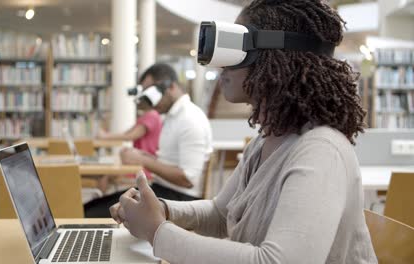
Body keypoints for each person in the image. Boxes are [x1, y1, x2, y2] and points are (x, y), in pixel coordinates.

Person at [109, 1, 378, 263]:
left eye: (236, 49)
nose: (221, 65)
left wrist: (157, 232)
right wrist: (162, 210)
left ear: (276, 56)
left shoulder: (321, 149)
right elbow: (219, 213)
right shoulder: (265, 140)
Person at [84, 63, 213, 217]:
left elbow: (187, 179)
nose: (150, 101)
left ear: (170, 87)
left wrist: (144, 161)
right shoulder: (173, 117)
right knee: (91, 206)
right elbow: (172, 162)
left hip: (180, 199)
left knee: (91, 212)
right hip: (163, 191)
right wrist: (145, 157)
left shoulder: (190, 119)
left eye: (152, 93)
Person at [98, 87, 163, 180]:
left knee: (105, 176)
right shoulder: (146, 116)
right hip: (139, 162)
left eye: (140, 99)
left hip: (143, 166)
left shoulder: (152, 116)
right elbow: (127, 133)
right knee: (107, 174)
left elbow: (131, 136)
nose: (137, 101)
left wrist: (105, 136)